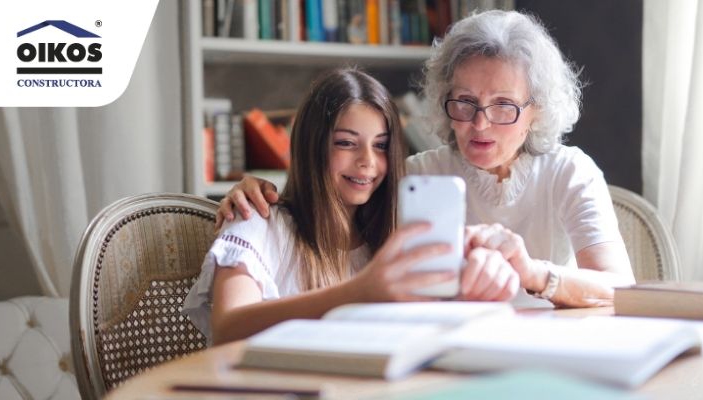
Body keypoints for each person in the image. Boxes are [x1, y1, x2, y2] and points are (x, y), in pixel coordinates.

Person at [216, 10, 636, 308]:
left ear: (537, 111)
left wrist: (533, 273)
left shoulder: (569, 170)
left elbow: (620, 288)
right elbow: (329, 207)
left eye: (504, 106)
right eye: (465, 102)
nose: (480, 124)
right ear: (443, 99)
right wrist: (254, 190)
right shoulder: (414, 176)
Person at [183, 68, 519, 345]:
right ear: (311, 146)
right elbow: (228, 328)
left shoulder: (391, 237)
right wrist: (359, 292)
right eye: (346, 143)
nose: (367, 162)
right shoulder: (257, 221)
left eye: (381, 146)